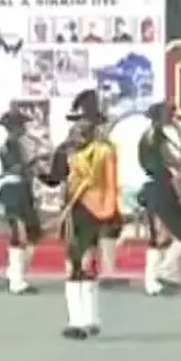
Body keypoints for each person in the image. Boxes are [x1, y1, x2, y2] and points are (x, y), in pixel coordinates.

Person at [41, 90, 119, 339]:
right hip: (84, 211)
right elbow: (56, 178)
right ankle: (86, 318)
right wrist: (41, 173)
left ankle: (81, 320)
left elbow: (109, 182)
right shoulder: (86, 149)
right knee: (81, 263)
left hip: (87, 211)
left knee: (80, 263)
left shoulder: (97, 150)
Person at [137, 102, 181, 297]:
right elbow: (170, 160)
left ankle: (152, 280)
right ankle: (164, 272)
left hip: (155, 187)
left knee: (158, 238)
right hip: (162, 188)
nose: (173, 117)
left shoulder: (150, 136)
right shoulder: (157, 137)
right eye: (170, 114)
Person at [0, 108, 42, 295]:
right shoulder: (4, 145)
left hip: (23, 191)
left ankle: (14, 270)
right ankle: (17, 280)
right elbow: (11, 169)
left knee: (34, 231)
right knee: (19, 233)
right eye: (20, 125)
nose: (24, 128)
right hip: (11, 191)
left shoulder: (19, 144)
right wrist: (30, 163)